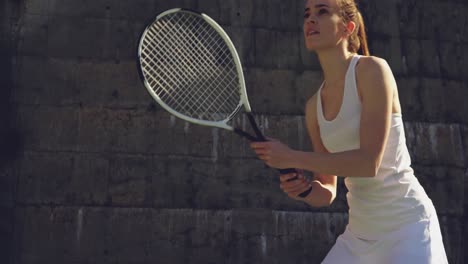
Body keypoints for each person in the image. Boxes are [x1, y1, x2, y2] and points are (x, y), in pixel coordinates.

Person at [250, 0, 449, 263]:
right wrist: (306, 189)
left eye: (322, 12)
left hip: (408, 227)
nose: (310, 20)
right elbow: (328, 191)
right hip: (359, 237)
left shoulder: (373, 70)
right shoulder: (313, 107)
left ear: (348, 27)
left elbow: (368, 164)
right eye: (307, 14)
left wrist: (292, 157)